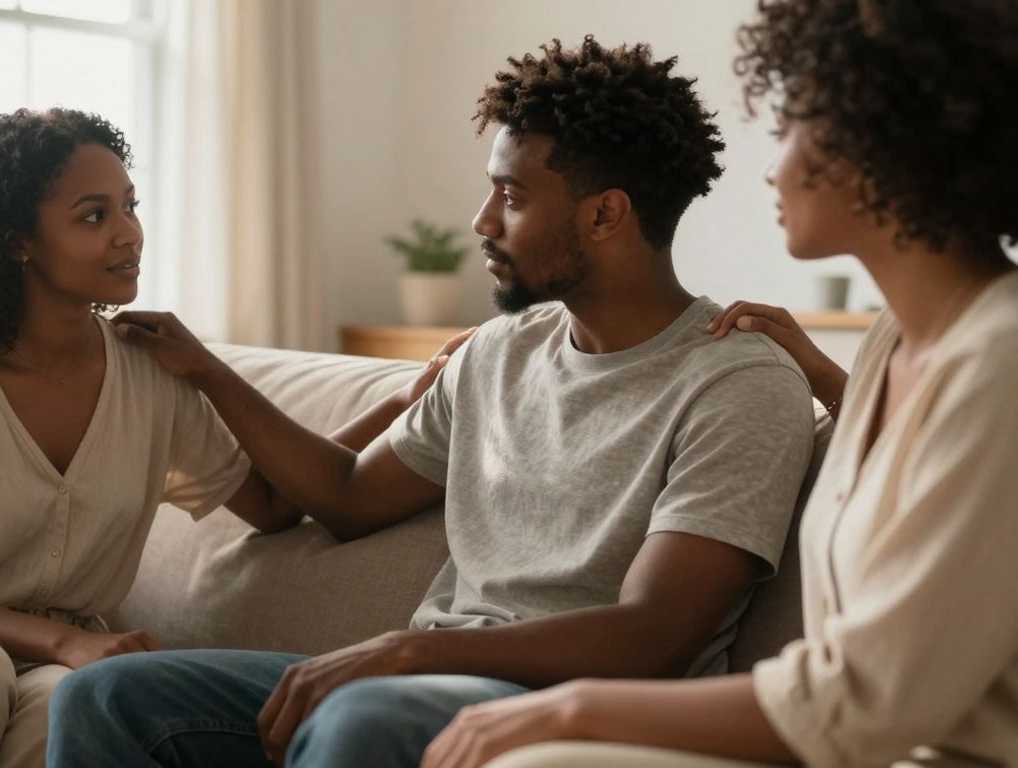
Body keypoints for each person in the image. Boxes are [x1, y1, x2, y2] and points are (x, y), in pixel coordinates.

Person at [46, 37, 816, 768]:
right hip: (423, 685)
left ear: (605, 214)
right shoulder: (498, 351)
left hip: (578, 711)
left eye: (511, 195)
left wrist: (411, 650)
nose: (482, 222)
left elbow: (655, 636)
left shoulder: (737, 383)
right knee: (107, 696)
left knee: (364, 715)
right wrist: (208, 371)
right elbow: (346, 497)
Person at [420, 2, 1018, 766]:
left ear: (884, 140)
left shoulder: (1000, 364)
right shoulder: (892, 346)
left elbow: (866, 702)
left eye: (793, 126)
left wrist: (569, 707)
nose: (771, 166)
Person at [0, 107, 456, 768]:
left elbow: (273, 504)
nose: (129, 235)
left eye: (130, 207)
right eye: (94, 216)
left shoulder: (150, 371)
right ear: (16, 239)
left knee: (84, 706)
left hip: (43, 662)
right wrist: (64, 642)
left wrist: (398, 401)